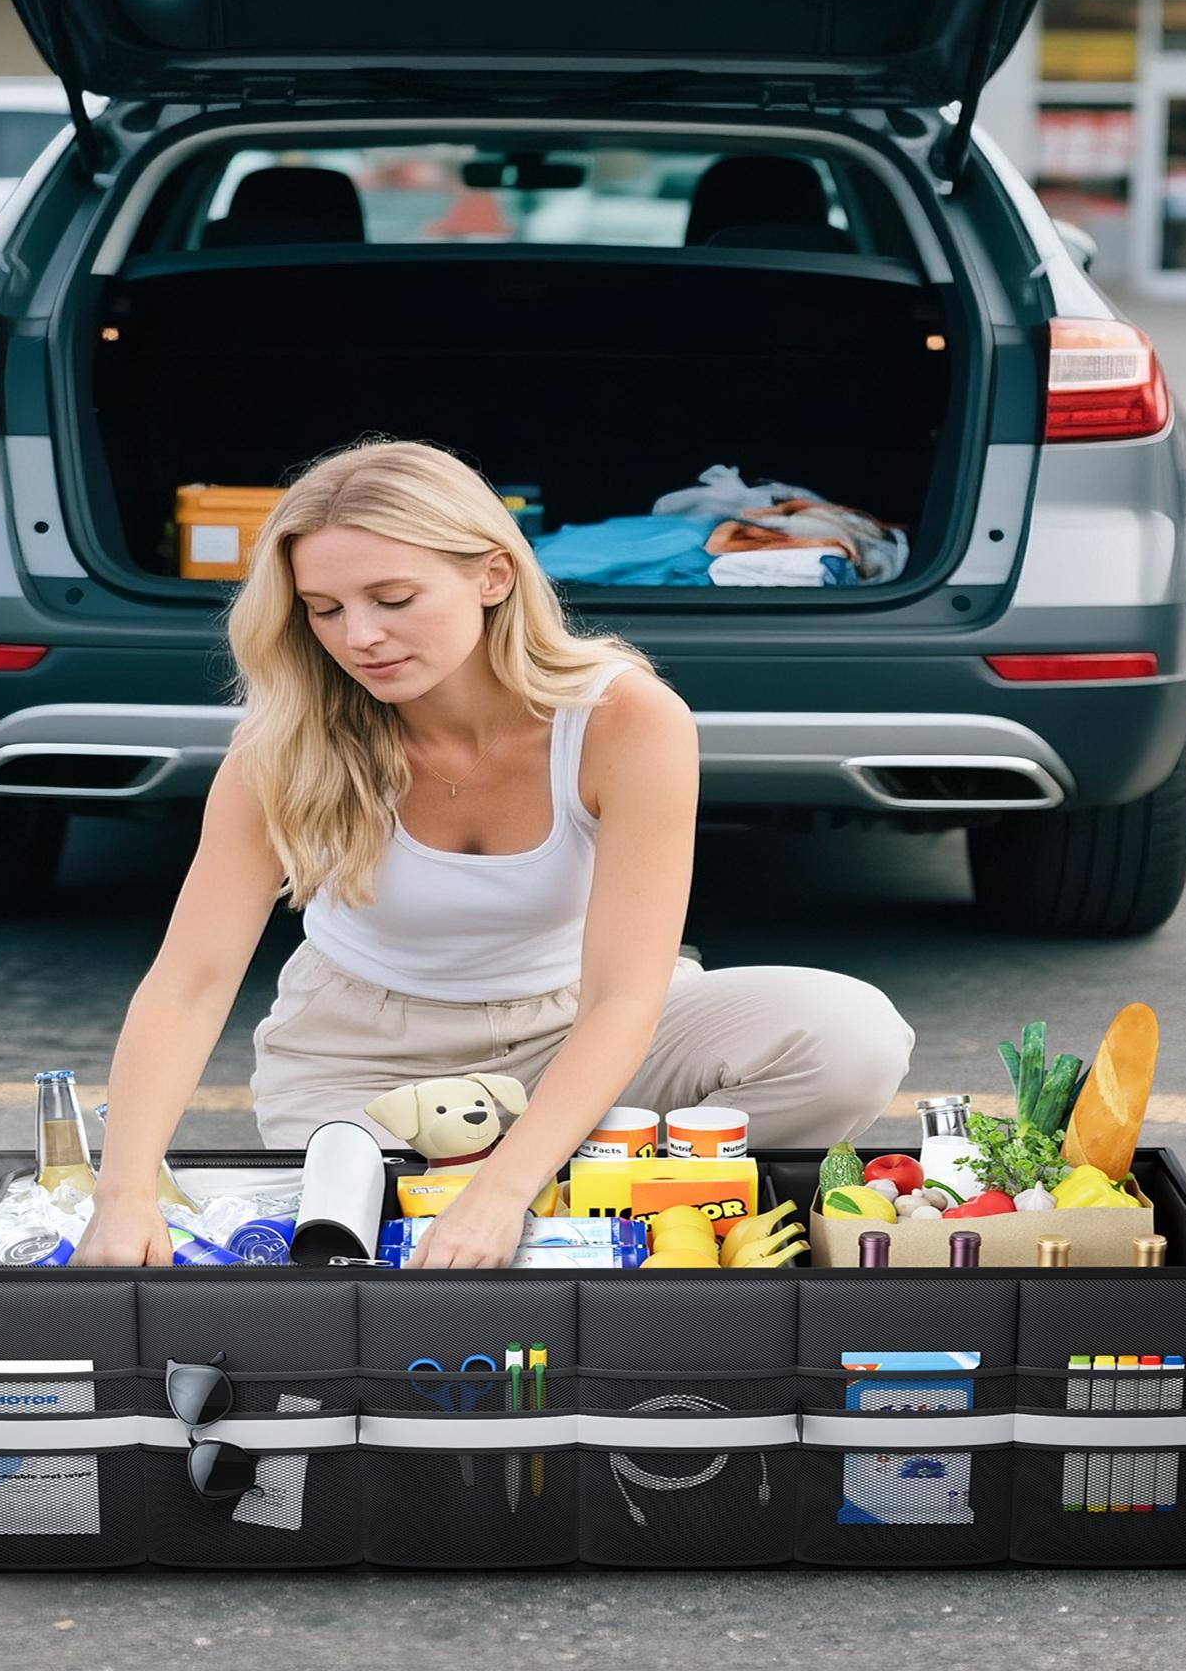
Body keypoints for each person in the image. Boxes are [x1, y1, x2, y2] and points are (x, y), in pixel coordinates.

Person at [75, 438, 914, 1270]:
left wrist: (504, 1191)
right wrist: (124, 1193)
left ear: (493, 576)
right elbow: (189, 983)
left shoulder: (625, 720)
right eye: (324, 609)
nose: (358, 636)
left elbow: (624, 996)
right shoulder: (283, 744)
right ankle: (584, 1179)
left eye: (393, 597)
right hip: (364, 1058)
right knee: (374, 1242)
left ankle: (559, 1173)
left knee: (851, 1035)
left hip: (575, 1022)